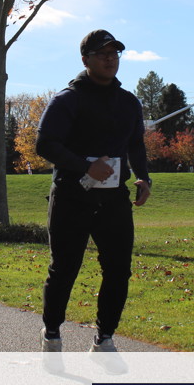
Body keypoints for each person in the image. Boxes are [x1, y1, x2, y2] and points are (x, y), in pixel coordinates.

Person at [36, 29, 152, 367]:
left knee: (118, 269)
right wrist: (86, 166)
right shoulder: (67, 100)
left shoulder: (129, 102)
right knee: (64, 268)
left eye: (114, 53)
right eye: (102, 54)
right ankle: (52, 334)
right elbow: (45, 145)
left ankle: (104, 339)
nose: (110, 59)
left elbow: (136, 145)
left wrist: (144, 177)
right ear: (85, 59)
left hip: (114, 199)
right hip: (72, 196)